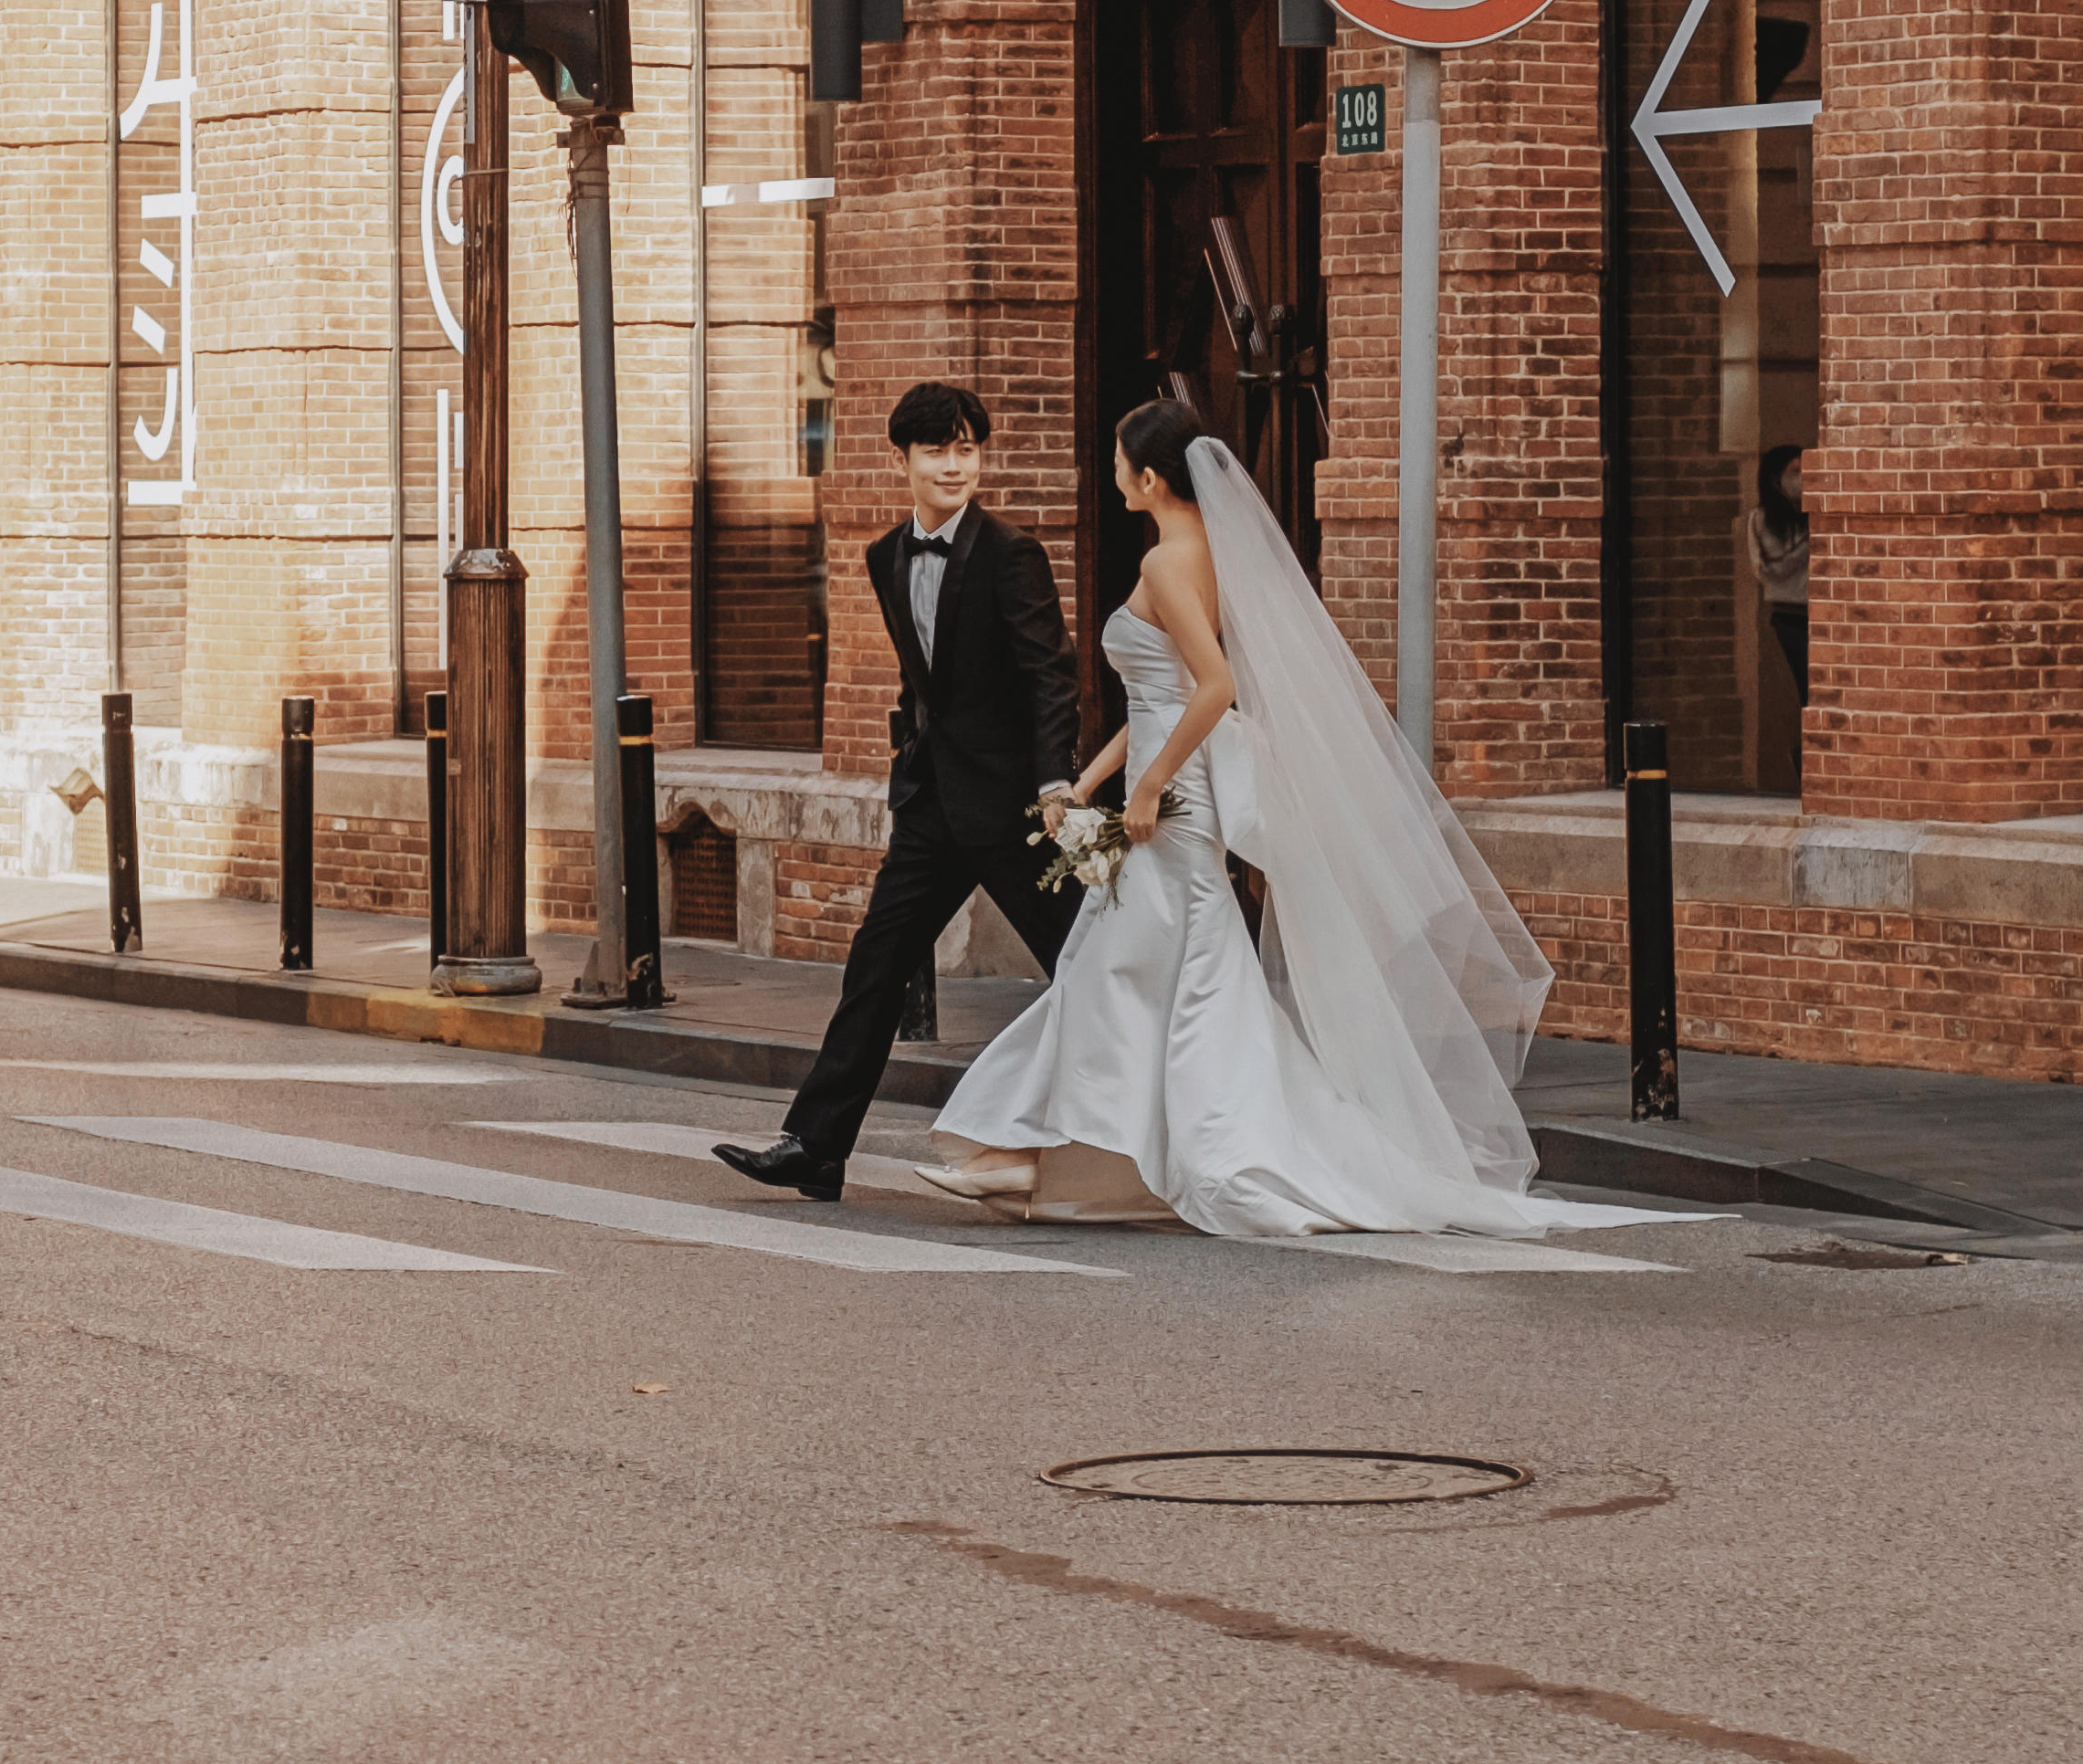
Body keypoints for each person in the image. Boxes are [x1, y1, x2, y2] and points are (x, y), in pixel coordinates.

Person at [904, 405, 1583, 1238]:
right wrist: (1090, 780)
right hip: (1175, 790)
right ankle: (1057, 1151)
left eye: (1118, 459)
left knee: (1111, 966)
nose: (1113, 471)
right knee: (1164, 975)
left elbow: (1215, 685)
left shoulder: (1164, 562)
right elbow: (1157, 695)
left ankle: (1045, 1147)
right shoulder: (1204, 556)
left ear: (1149, 478)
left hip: (1179, 806)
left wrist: (1148, 787)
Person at [714, 383, 1084, 1202]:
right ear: (904, 460)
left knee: (1086, 966)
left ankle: (1138, 1135)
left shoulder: (1010, 552)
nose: (954, 465)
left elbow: (1049, 674)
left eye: (967, 449)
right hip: (931, 810)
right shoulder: (885, 556)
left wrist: (1056, 777)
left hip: (1016, 811)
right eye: (937, 450)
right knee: (875, 966)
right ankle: (814, 1147)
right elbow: (929, 682)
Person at [1747, 441, 1811, 716]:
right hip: (1790, 613)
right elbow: (1771, 570)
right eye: (1794, 471)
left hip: (1820, 612)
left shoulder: (1813, 517)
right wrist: (1813, 538)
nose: (1801, 478)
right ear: (1777, 478)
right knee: (1806, 688)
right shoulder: (1762, 519)